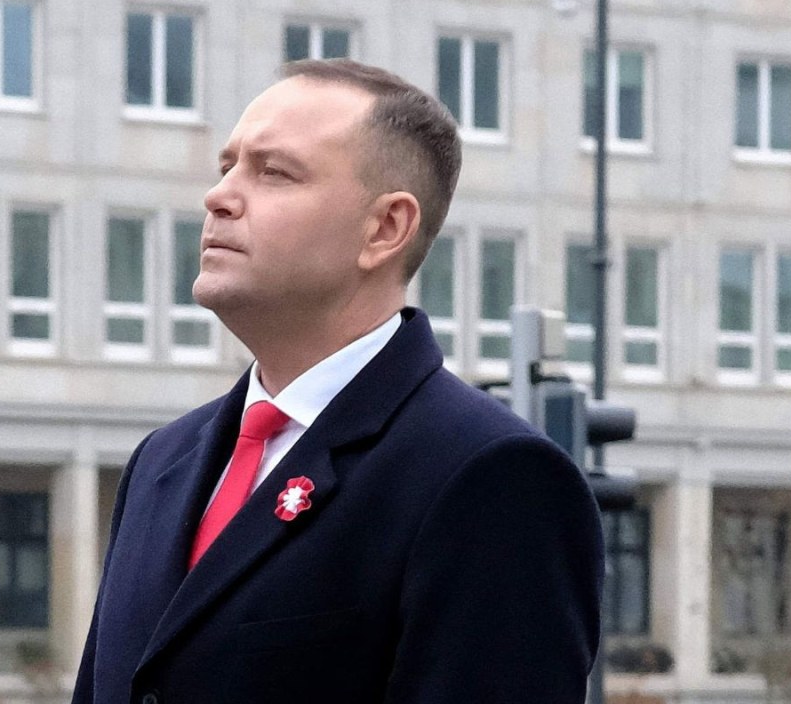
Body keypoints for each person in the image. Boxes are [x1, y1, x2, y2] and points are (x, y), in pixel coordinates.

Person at [72, 60, 603, 704]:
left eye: (274, 172)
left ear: (385, 229)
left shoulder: (488, 474)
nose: (220, 197)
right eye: (227, 166)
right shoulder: (163, 461)